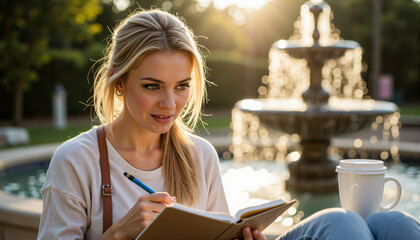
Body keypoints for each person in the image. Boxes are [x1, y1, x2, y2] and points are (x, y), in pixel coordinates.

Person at [37, 8, 419, 240]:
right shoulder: (77, 161)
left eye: (182, 87)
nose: (170, 104)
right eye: (152, 86)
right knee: (345, 226)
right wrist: (120, 233)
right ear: (119, 83)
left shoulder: (198, 155)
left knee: (387, 226)